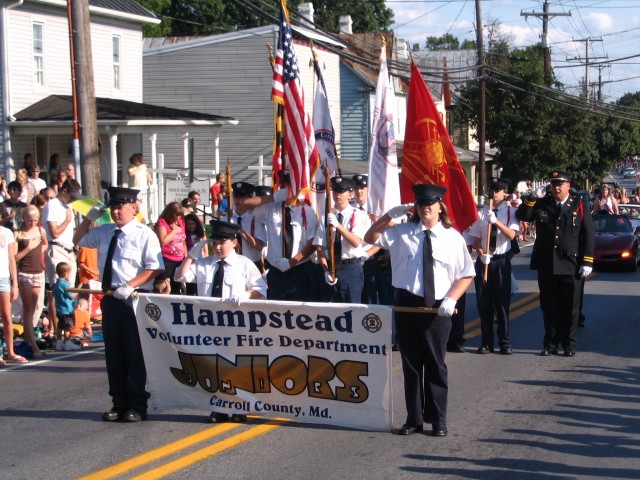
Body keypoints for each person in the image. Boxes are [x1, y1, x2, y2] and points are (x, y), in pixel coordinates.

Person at [364, 184, 475, 437]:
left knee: (435, 364)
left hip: (438, 307)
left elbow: (466, 274)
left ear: (440, 207)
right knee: (411, 365)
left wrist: (452, 299)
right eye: (421, 204)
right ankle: (413, 419)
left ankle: (438, 419)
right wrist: (388, 216)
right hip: (406, 303)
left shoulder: (452, 237)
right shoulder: (401, 232)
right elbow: (369, 239)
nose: (426, 207)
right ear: (414, 207)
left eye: (431, 203)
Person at [74, 186, 164, 422]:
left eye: (121, 206)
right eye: (113, 207)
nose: (116, 211)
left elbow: (155, 267)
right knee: (114, 354)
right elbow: (77, 240)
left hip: (133, 298)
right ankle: (119, 402)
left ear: (133, 207)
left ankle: (137, 404)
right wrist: (88, 219)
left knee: (134, 353)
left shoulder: (145, 234)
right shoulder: (104, 232)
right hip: (111, 298)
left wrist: (131, 284)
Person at [174, 219, 267, 424]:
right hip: (209, 324)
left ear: (234, 242)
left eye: (222, 242)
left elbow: (262, 290)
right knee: (212, 365)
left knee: (235, 365)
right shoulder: (205, 265)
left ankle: (239, 407)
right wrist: (191, 254)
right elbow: (180, 277)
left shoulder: (244, 263)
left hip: (235, 323)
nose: (217, 247)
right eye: (214, 242)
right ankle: (218, 407)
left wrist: (247, 294)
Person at [516, 171, 594, 357]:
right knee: (549, 306)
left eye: (560, 184)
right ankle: (550, 344)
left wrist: (587, 261)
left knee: (570, 308)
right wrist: (532, 197)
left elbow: (588, 234)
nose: (556, 187)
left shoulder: (579, 204)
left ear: (568, 185)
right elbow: (523, 216)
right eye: (553, 184)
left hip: (571, 263)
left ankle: (569, 345)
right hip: (547, 264)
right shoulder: (543, 203)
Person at [244, 170, 317, 301]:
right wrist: (273, 197)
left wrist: (291, 262)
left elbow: (312, 243)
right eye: (283, 185)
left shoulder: (307, 211)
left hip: (298, 270)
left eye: (289, 185)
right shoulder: (270, 207)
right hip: (276, 272)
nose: (286, 189)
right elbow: (245, 204)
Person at [469, 178, 520, 355]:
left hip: (501, 261)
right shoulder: (481, 213)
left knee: (502, 303)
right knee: (484, 303)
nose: (495, 192)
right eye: (492, 189)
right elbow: (476, 238)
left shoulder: (510, 212)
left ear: (505, 192)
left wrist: (496, 222)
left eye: (498, 190)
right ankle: (486, 341)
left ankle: (505, 341)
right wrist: (482, 254)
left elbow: (512, 234)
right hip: (485, 260)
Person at [314, 176, 368, 303]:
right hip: (331, 266)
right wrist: (326, 270)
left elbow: (356, 242)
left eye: (341, 191)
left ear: (350, 194)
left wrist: (338, 226)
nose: (337, 194)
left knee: (352, 309)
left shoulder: (357, 215)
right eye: (335, 191)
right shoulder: (325, 218)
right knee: (330, 312)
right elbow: (319, 247)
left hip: (350, 268)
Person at [43, 179, 81, 336]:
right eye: (72, 195)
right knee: (56, 291)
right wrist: (67, 219)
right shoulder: (52, 205)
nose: (74, 199)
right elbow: (55, 232)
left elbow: (69, 232)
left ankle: (68, 331)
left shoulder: (69, 206)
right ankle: (55, 329)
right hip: (57, 248)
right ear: (64, 191)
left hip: (69, 249)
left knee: (69, 292)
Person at [15, 205, 48, 358]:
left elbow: (46, 244)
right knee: (28, 310)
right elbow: (14, 257)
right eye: (29, 221)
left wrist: (38, 249)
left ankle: (28, 341)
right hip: (24, 273)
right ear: (24, 219)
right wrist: (29, 248)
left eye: (35, 220)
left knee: (35, 308)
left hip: (38, 272)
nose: (32, 223)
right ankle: (34, 346)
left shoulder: (41, 230)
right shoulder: (19, 234)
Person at [0, 222, 28, 365]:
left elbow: (12, 258)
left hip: (4, 278)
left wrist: (15, 284)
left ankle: (11, 352)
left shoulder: (7, 232)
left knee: (7, 316)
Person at [228, 182, 265, 271]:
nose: (238, 200)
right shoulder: (226, 219)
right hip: (230, 266)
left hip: (251, 265)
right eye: (236, 196)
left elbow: (260, 247)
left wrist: (240, 231)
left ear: (250, 198)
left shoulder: (257, 220)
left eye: (242, 196)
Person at [154, 202, 186, 295]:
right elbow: (163, 241)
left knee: (177, 287)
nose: (178, 218)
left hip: (179, 260)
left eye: (180, 216)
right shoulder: (162, 222)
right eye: (177, 215)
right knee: (166, 286)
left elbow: (183, 241)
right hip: (167, 259)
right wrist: (174, 231)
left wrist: (186, 256)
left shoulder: (180, 222)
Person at [52, 262, 81, 351]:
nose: (70, 275)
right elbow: (71, 296)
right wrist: (79, 289)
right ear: (65, 273)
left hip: (59, 309)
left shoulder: (57, 284)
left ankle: (59, 342)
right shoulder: (65, 284)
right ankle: (68, 343)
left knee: (60, 326)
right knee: (67, 328)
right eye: (69, 273)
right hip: (67, 310)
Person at [183, 213, 207, 295]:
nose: (191, 226)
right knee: (190, 284)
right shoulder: (184, 235)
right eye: (188, 224)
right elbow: (185, 250)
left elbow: (205, 249)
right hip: (190, 262)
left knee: (200, 284)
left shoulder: (200, 234)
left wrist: (206, 261)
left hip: (200, 261)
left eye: (193, 223)